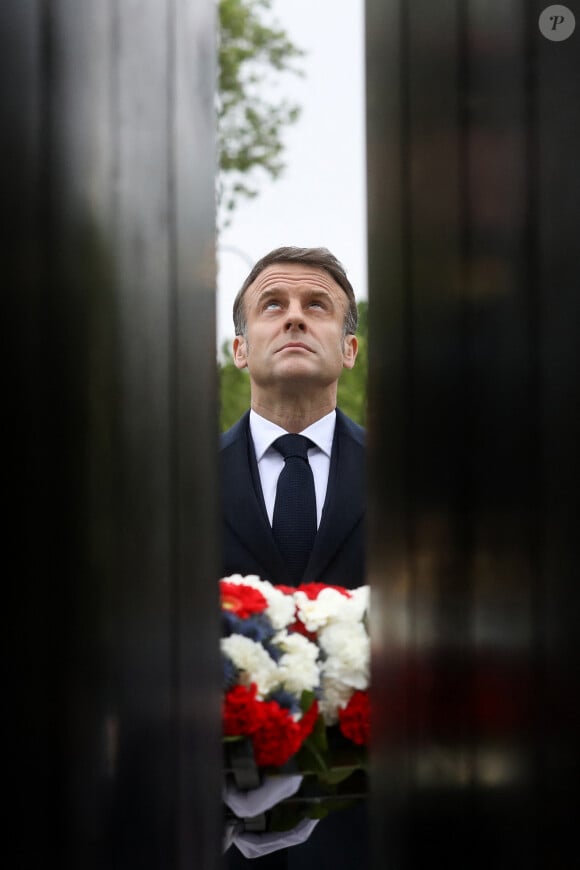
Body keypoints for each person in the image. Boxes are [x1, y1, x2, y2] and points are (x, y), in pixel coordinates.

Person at [220, 247, 369, 869]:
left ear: (349, 350)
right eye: (272, 305)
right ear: (241, 349)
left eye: (318, 306)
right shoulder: (167, 486)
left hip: (371, 835)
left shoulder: (420, 482)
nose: (295, 318)